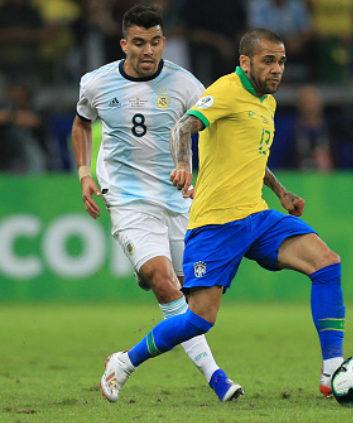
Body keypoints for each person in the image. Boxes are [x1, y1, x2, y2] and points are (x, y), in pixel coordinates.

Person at [98, 28, 346, 402]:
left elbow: (251, 157)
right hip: (216, 222)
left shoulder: (268, 103)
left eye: (281, 62)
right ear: (245, 61)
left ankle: (333, 373)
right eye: (268, 61)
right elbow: (185, 126)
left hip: (258, 217)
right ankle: (123, 362)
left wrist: (281, 193)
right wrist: (183, 164)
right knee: (200, 319)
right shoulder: (226, 90)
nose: (277, 69)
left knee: (327, 265)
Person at [71, 4, 241, 402]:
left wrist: (197, 171)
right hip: (129, 200)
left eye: (156, 42)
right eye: (140, 43)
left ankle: (147, 271)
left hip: (179, 201)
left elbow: (214, 133)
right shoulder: (96, 84)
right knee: (167, 286)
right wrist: (83, 172)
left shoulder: (186, 85)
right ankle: (217, 378)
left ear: (164, 41)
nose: (149, 51)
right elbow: (81, 121)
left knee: (197, 297)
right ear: (124, 44)